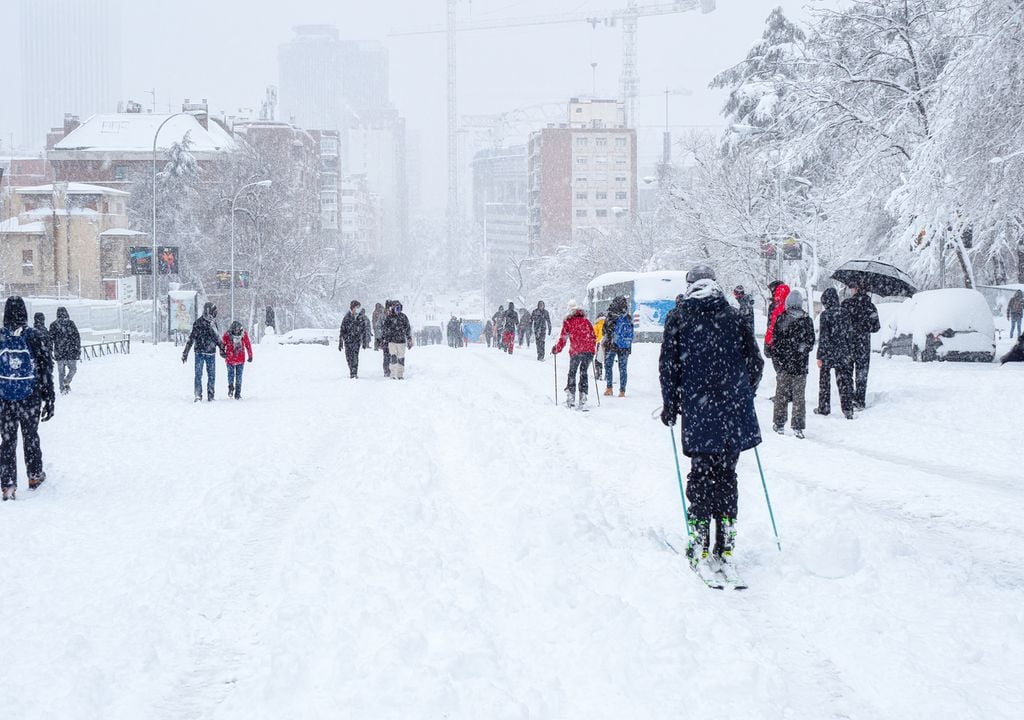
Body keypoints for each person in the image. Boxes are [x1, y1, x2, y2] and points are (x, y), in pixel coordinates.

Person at [659, 266, 763, 575]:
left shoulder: (679, 317)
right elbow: (755, 362)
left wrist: (671, 404)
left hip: (699, 410)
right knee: (727, 476)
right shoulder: (733, 316)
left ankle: (699, 540)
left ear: (690, 286)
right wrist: (744, 392)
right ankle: (726, 543)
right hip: (732, 410)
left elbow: (669, 367)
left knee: (701, 476)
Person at [0, 297, 56, 500]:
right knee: (30, 436)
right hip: (29, 396)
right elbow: (45, 369)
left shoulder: (1, 336)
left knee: (7, 441)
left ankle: (7, 486)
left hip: (5, 397)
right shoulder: (33, 335)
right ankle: (34, 475)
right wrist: (49, 398)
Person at [770, 289, 816, 438]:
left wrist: (778, 362)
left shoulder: (782, 319)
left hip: (784, 365)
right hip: (800, 366)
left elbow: (775, 343)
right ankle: (798, 426)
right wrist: (801, 349)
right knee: (799, 397)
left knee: (781, 395)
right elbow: (810, 343)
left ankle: (779, 423)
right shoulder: (807, 320)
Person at [814, 288, 855, 419]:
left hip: (828, 353)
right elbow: (849, 334)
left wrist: (819, 356)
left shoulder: (825, 315)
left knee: (824, 382)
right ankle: (848, 409)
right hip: (843, 352)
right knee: (844, 381)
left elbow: (824, 337)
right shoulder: (845, 313)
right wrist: (850, 351)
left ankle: (824, 407)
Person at [841, 283, 881, 410]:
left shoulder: (846, 304)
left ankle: (849, 396)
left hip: (848, 343)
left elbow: (840, 323)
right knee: (862, 373)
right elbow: (876, 328)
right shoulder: (871, 307)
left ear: (856, 289)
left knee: (847, 372)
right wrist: (865, 326)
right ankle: (860, 400)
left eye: (853, 288)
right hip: (863, 344)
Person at [551, 301, 597, 409]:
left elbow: (563, 339)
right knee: (583, 372)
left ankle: (571, 397)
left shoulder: (568, 322)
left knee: (572, 372)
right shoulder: (586, 321)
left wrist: (556, 349)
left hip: (576, 351)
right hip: (588, 351)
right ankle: (583, 398)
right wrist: (592, 348)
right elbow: (593, 336)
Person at [182, 302, 226, 402]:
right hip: (200, 353)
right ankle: (198, 395)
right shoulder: (198, 323)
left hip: (210, 353)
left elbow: (217, 338)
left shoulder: (213, 324)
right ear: (208, 311)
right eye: (214, 312)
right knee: (198, 375)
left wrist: (222, 349)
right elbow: (191, 339)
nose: (215, 314)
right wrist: (185, 353)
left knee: (211, 375)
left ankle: (211, 395)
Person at [602, 296, 633, 397]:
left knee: (608, 366)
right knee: (623, 368)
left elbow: (604, 331)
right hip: (625, 345)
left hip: (612, 345)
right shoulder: (627, 317)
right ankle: (622, 391)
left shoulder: (611, 315)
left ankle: (609, 388)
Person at [49, 306, 81, 395]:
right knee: (73, 370)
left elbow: (50, 339)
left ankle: (63, 387)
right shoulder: (70, 323)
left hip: (59, 352)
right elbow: (77, 338)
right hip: (71, 351)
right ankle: (66, 383)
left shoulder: (53, 325)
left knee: (61, 373)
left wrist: (50, 350)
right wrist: (78, 349)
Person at [340, 300, 371, 379]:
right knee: (348, 357)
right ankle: (351, 368)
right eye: (357, 307)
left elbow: (364, 330)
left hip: (356, 341)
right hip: (347, 341)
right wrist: (341, 341)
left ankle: (354, 372)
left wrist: (364, 341)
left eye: (359, 307)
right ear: (352, 308)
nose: (358, 309)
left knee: (355, 356)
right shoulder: (346, 317)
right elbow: (342, 330)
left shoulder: (361, 318)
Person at [222, 320, 253, 399]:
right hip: (235, 359)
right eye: (236, 329)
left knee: (233, 376)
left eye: (238, 329)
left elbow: (222, 344)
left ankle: (234, 390)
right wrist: (250, 355)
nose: (237, 331)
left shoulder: (229, 334)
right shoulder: (240, 334)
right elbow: (248, 345)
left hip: (233, 359)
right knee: (236, 376)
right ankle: (234, 391)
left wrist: (222, 352)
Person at [382, 300, 413, 379]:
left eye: (399, 308)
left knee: (401, 358)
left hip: (401, 342)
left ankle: (400, 374)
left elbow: (408, 328)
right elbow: (385, 329)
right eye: (396, 308)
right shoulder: (389, 318)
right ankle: (393, 374)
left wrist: (409, 338)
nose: (397, 310)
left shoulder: (403, 317)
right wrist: (384, 339)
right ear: (393, 308)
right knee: (393, 357)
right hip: (392, 342)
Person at [763, 282, 790, 359]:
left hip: (777, 346)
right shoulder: (792, 304)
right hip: (790, 348)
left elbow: (770, 326)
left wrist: (767, 344)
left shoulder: (774, 307)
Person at [593, 312, 606, 380]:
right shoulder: (608, 323)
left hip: (600, 343)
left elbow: (594, 336)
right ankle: (607, 375)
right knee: (607, 359)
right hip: (607, 343)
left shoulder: (597, 324)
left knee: (598, 360)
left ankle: (599, 373)